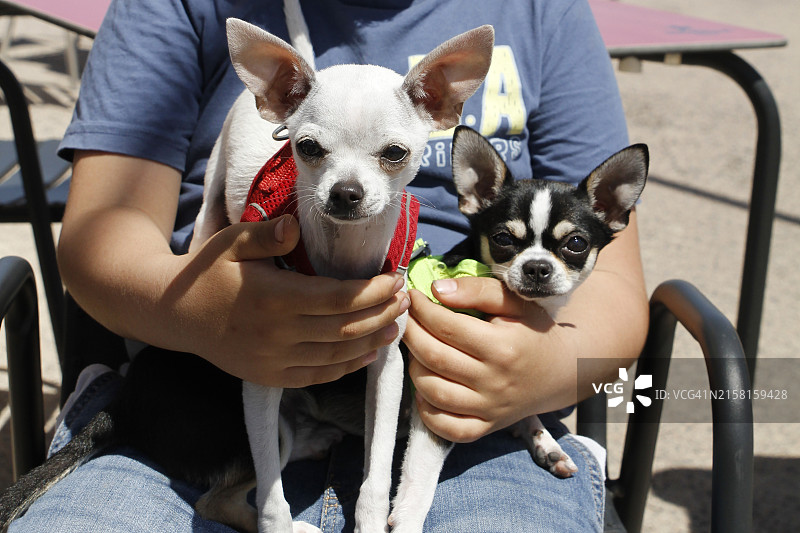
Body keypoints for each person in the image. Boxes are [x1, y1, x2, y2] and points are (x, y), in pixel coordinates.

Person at [11, 0, 649, 531]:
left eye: (394, 155)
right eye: (312, 148)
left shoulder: (540, 12)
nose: (351, 185)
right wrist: (195, 312)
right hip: (201, 391)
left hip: (465, 415)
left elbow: (615, 291)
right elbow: (98, 237)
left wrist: (544, 369)